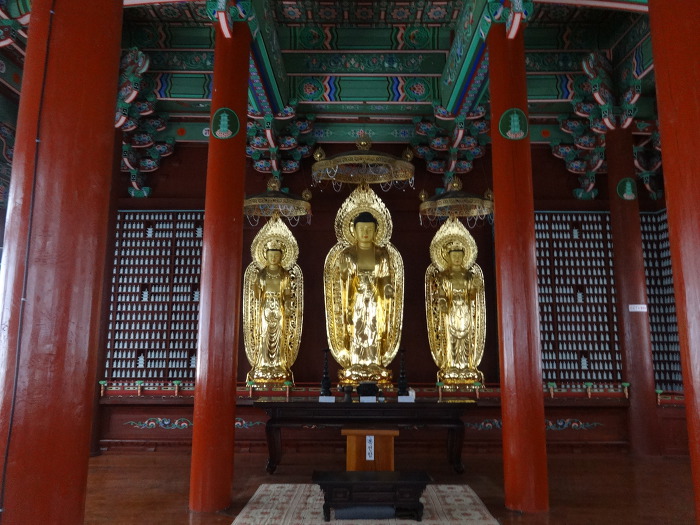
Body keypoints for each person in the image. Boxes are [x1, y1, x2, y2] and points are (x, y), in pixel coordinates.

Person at [324, 185, 404, 386]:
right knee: (358, 328)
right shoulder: (348, 254)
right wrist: (347, 304)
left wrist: (387, 288)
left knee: (374, 328)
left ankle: (373, 362)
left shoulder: (382, 253)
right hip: (357, 299)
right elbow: (343, 282)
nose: (366, 232)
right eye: (362, 229)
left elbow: (385, 277)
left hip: (375, 300)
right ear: (354, 231)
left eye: (369, 229)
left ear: (376, 230)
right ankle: (356, 362)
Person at [243, 216, 303, 387]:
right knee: (264, 335)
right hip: (265, 308)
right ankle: (263, 364)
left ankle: (278, 364)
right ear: (266, 256)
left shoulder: (284, 274)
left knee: (279, 336)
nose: (274, 258)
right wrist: (257, 291)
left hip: (279, 308)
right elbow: (256, 294)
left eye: (277, 255)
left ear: (282, 256)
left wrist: (288, 306)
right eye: (271, 255)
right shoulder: (261, 274)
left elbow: (288, 294)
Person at [425, 218, 485, 388]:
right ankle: (451, 365)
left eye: (460, 255)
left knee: (466, 339)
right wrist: (443, 302)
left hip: (465, 310)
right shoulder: (443, 276)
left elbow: (472, 296)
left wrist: (475, 288)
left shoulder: (469, 275)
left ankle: (467, 365)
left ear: (465, 256)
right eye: (454, 255)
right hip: (450, 311)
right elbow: (441, 294)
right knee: (451, 338)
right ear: (447, 257)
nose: (457, 258)